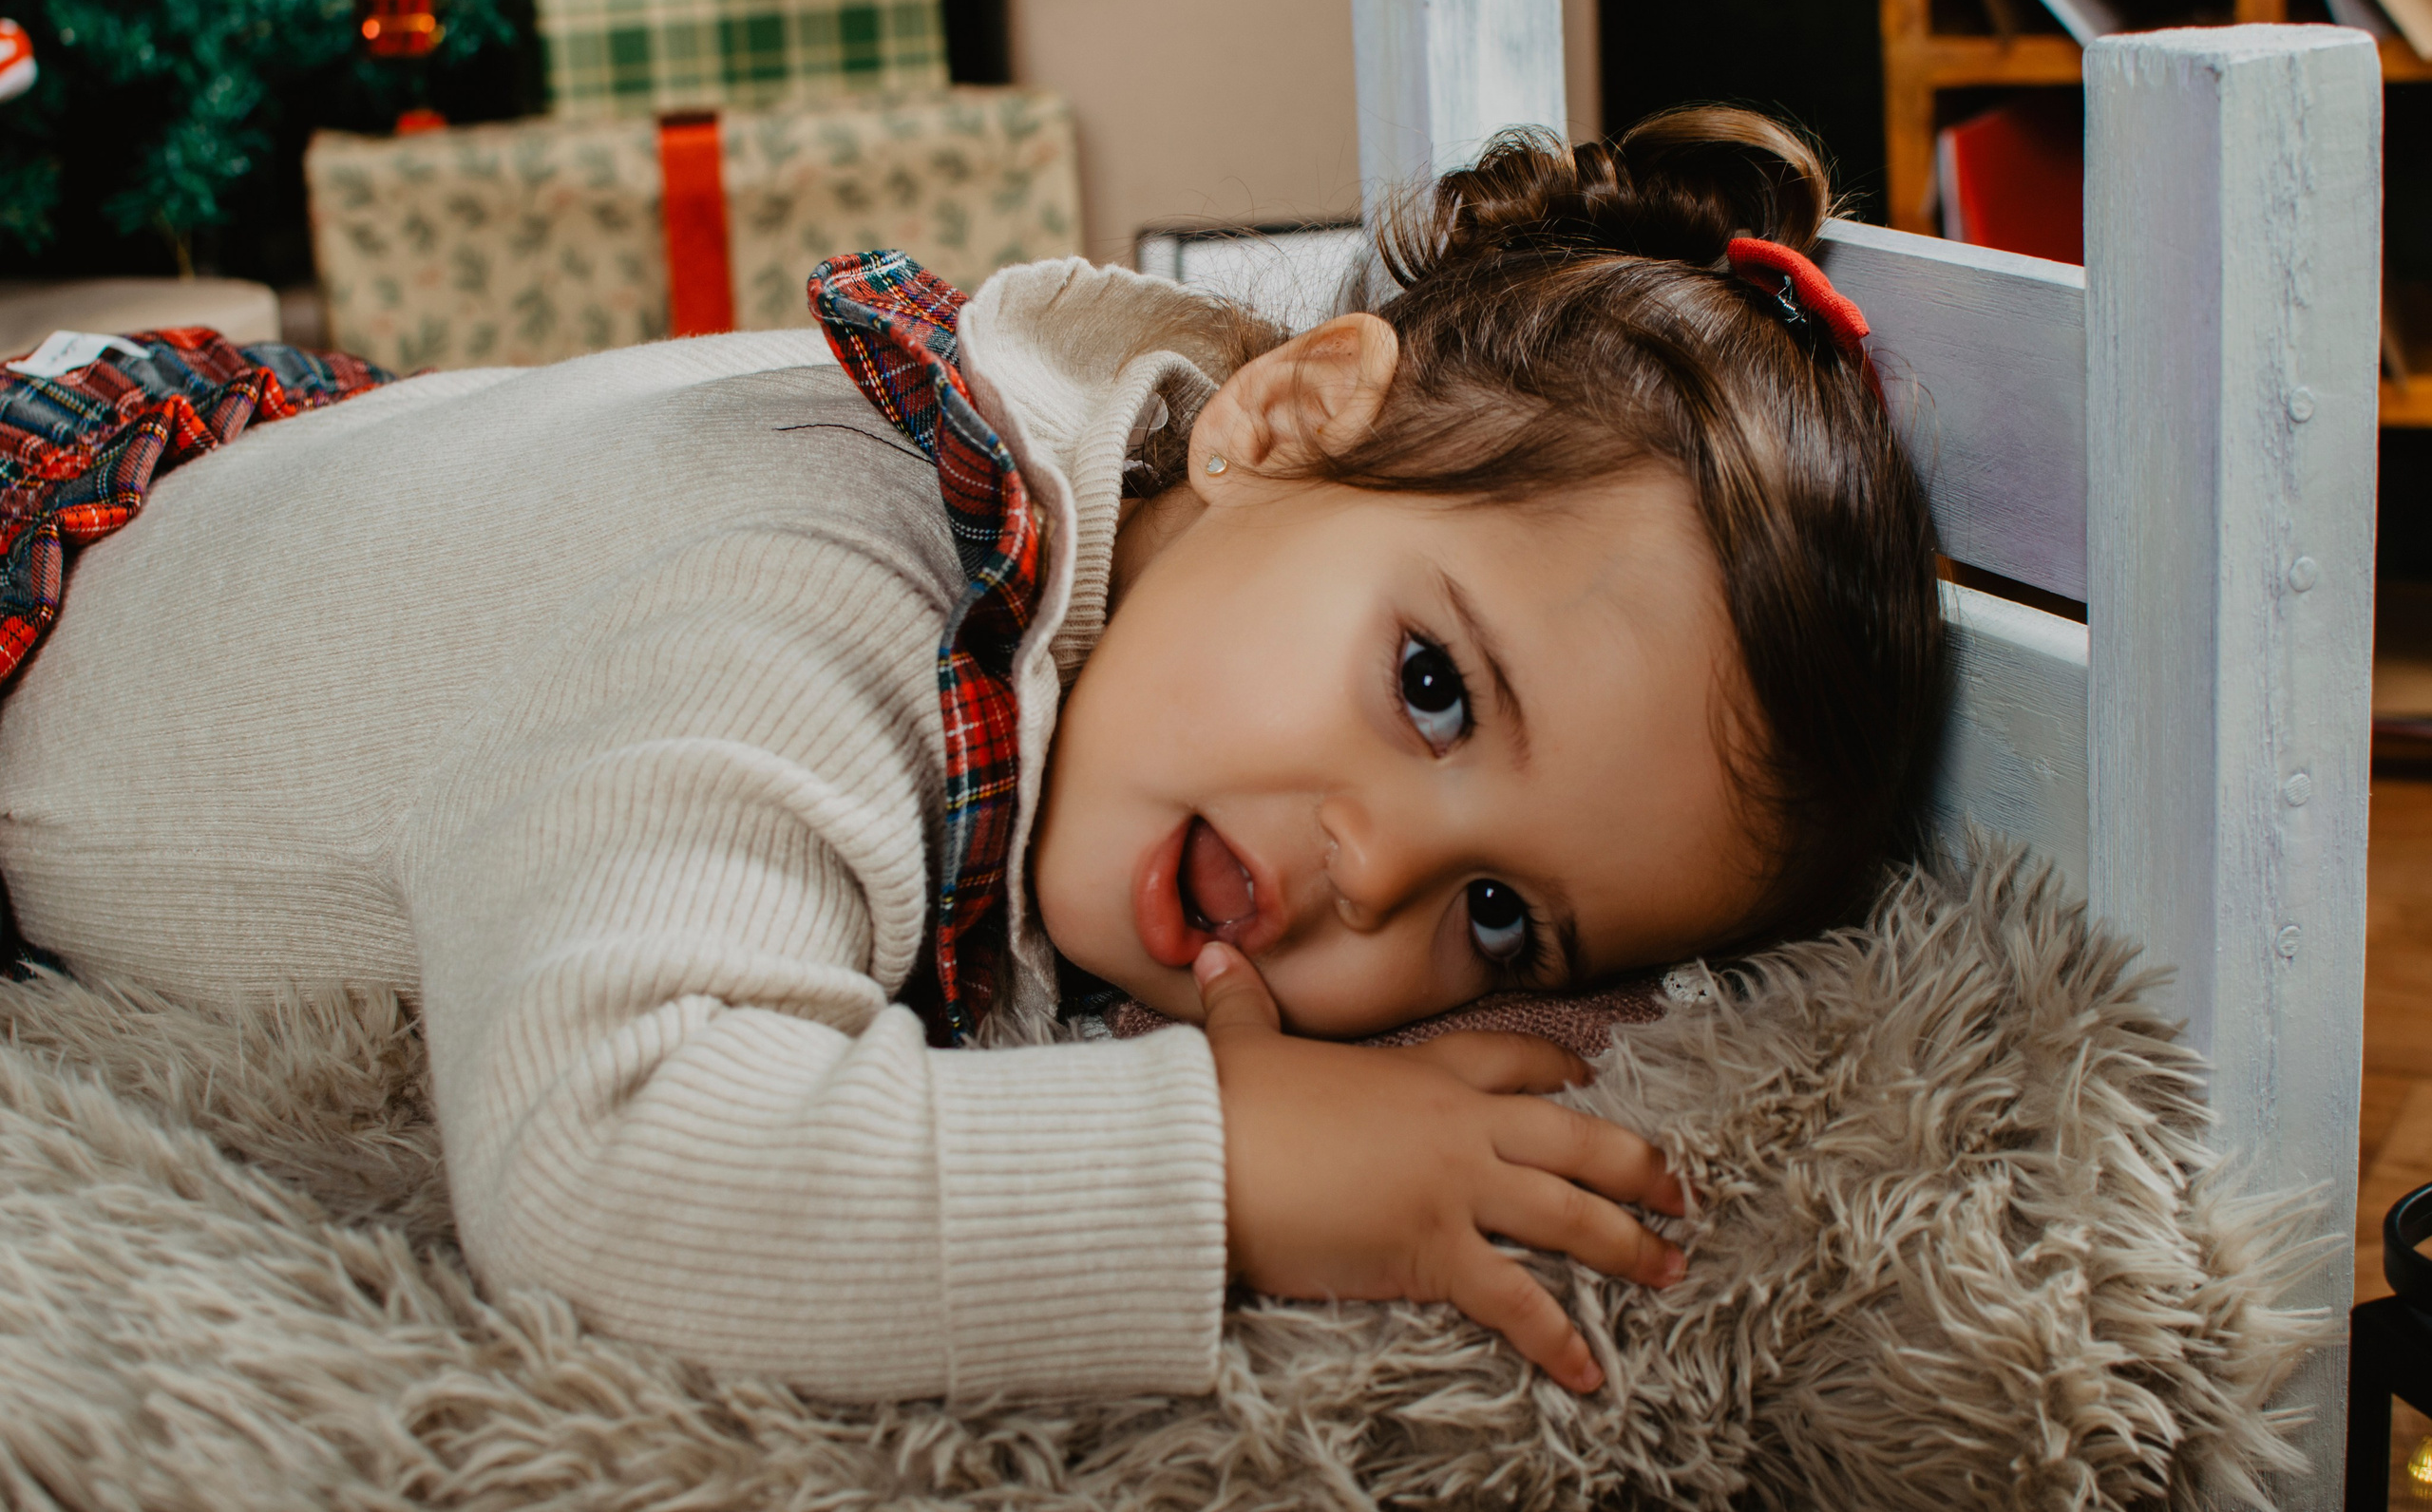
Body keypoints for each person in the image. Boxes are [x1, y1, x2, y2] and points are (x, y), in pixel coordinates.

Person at [0, 106, 1943, 1403]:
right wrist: (1227, 1163)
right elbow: (605, 1155)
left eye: (1502, 917)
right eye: (1430, 685)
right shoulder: (810, 583)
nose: (1370, 873)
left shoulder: (1111, 622)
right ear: (1280, 414)